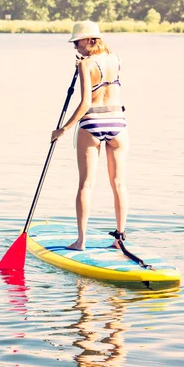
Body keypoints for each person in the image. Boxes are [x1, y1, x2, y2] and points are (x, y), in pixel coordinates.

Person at [51, 20, 128, 251]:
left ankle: (81, 241)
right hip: (118, 123)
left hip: (92, 121)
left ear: (90, 40)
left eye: (77, 42)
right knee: (119, 183)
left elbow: (85, 103)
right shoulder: (116, 59)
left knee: (86, 185)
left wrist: (63, 129)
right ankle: (119, 238)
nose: (75, 47)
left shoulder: (86, 64)